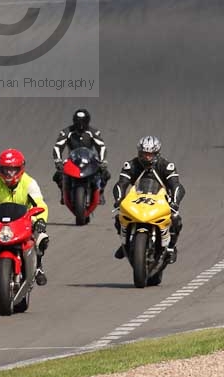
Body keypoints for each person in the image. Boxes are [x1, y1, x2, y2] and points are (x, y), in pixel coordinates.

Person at [0, 148, 49, 286]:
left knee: (41, 237)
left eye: (12, 170)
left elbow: (40, 203)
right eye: (5, 170)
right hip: (1, 220)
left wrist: (40, 220)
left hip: (25, 219)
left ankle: (38, 267)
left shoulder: (29, 183)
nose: (8, 174)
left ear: (20, 169)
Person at [112, 135, 185, 264]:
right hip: (137, 199)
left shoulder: (166, 166)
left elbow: (177, 186)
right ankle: (124, 243)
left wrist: (175, 202)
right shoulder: (131, 165)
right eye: (144, 154)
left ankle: (171, 247)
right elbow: (121, 184)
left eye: (150, 154)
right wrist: (119, 199)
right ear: (139, 153)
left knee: (175, 218)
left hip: (160, 201)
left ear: (157, 154)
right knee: (119, 216)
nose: (147, 157)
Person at [52, 108, 111, 204]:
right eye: (78, 122)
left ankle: (100, 192)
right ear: (74, 121)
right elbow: (58, 147)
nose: (81, 125)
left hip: (90, 159)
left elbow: (101, 147)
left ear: (87, 121)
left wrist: (102, 160)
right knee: (58, 175)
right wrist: (58, 161)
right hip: (72, 159)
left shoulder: (93, 132)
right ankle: (64, 192)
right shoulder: (66, 132)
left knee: (105, 174)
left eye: (83, 122)